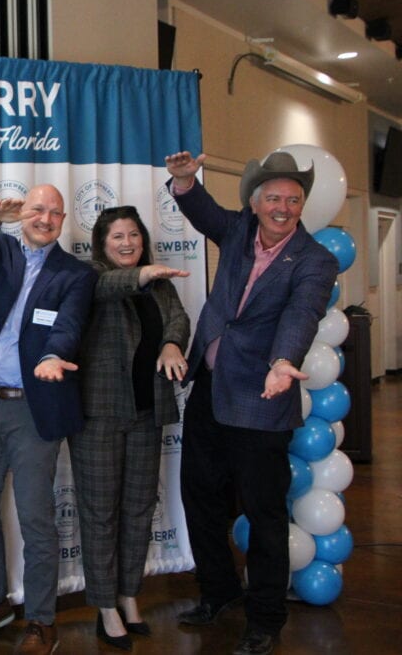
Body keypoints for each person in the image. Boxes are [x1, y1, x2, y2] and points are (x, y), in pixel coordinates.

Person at [164, 150, 338, 655]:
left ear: (301, 205)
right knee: (201, 499)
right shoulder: (239, 229)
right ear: (257, 202)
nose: (283, 207)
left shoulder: (314, 260)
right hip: (209, 389)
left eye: (293, 199)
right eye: (274, 198)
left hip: (263, 397)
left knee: (263, 515)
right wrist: (184, 181)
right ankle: (218, 592)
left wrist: (284, 360)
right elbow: (204, 212)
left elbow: (302, 314)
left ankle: (265, 617)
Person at [0, 184, 97, 655]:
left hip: (32, 408)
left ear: (63, 221)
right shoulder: (2, 253)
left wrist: (56, 354)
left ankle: (41, 620)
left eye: (55, 213)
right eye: (38, 209)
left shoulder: (75, 273)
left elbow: (70, 324)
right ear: (24, 214)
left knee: (36, 518)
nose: (45, 218)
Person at [69, 206, 191, 650]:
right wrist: (142, 275)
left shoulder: (157, 282)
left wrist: (173, 342)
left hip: (147, 412)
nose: (127, 243)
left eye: (134, 235)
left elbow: (179, 318)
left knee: (139, 509)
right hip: (98, 416)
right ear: (102, 243)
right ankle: (104, 607)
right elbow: (104, 288)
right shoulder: (90, 277)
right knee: (100, 514)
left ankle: (130, 595)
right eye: (117, 236)